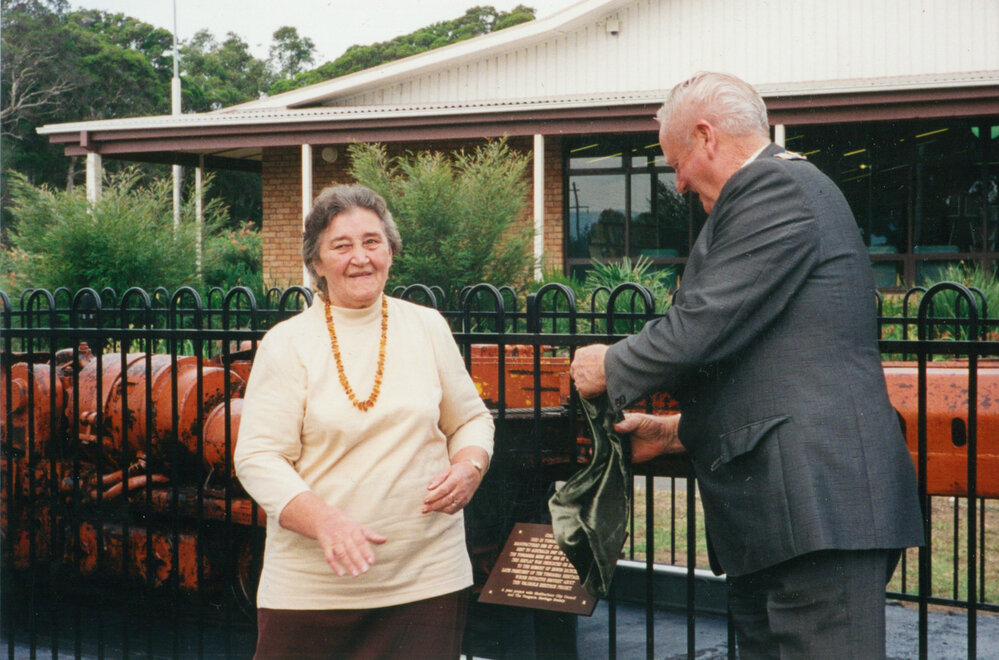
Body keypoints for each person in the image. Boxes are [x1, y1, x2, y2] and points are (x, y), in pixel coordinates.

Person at [570, 72, 924, 659]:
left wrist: (611, 363)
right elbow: (771, 359)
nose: (677, 183)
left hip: (816, 512)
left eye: (674, 162)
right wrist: (674, 431)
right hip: (790, 517)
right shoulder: (776, 191)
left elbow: (705, 325)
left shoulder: (776, 188)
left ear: (705, 137)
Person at [234, 184, 494, 660]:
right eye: (342, 245)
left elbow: (471, 419)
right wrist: (324, 521)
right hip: (314, 593)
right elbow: (257, 457)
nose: (361, 258)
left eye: (372, 242)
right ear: (316, 261)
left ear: (391, 251)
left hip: (427, 582)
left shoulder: (427, 327)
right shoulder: (286, 344)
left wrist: (470, 467)